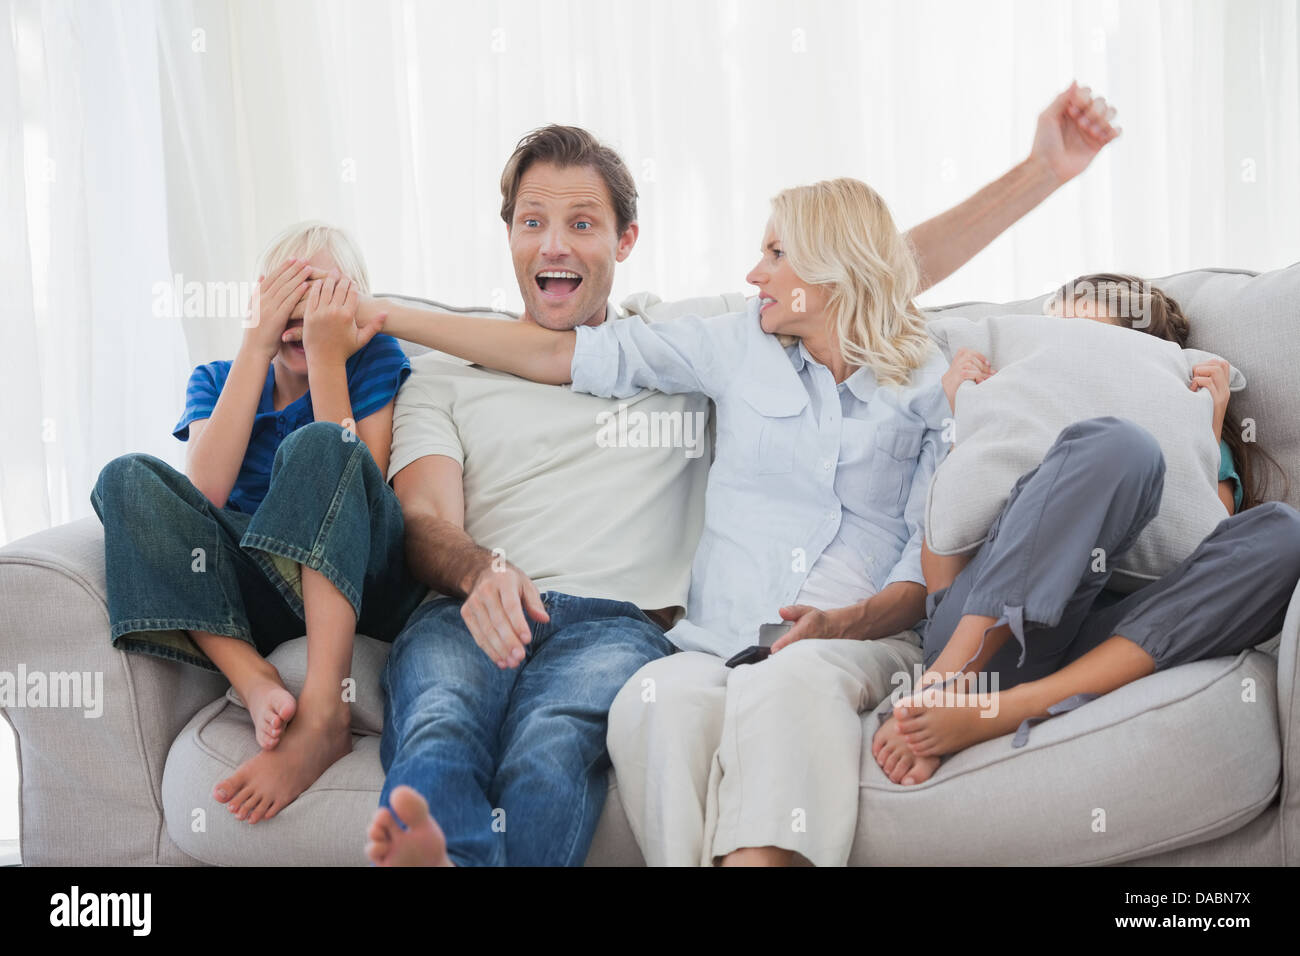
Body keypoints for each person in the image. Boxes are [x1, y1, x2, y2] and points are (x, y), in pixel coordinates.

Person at [361, 81, 1123, 867]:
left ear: (625, 241)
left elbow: (878, 274)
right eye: (533, 223)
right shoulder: (712, 346)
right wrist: (382, 316)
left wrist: (1040, 172)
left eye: (582, 223)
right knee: (539, 715)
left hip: (733, 629)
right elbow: (551, 370)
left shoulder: (872, 372)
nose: (755, 273)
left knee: (562, 741)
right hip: (621, 628)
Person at [872, 275, 1300, 787]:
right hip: (989, 637)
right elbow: (942, 565)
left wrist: (1201, 433)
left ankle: (1007, 710)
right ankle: (950, 686)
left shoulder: (1204, 441)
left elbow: (1206, 560)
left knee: (1285, 531)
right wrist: (965, 420)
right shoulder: (1006, 418)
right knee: (1121, 445)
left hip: (1114, 643)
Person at [91, 222, 424, 823]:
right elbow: (206, 492)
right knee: (125, 475)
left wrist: (328, 355)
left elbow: (359, 477)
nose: (303, 314)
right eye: (288, 297)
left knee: (323, 443)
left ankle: (324, 714)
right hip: (258, 589)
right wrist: (253, 349)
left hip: (350, 579)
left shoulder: (373, 361)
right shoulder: (218, 378)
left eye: (321, 295)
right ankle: (250, 675)